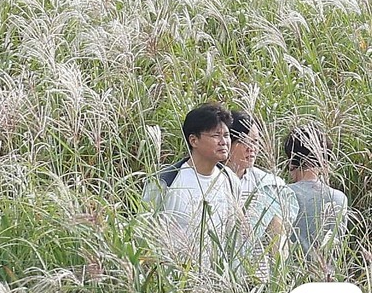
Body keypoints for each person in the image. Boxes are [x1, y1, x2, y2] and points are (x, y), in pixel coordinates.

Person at [142, 102, 242, 265]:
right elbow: (145, 234)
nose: (223, 141)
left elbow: (234, 238)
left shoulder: (230, 181)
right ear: (194, 140)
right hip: (173, 280)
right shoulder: (166, 181)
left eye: (226, 135)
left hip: (216, 282)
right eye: (216, 135)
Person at [226, 110, 296, 275]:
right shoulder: (212, 181)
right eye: (244, 141)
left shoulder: (268, 185)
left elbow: (279, 239)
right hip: (223, 275)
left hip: (260, 278)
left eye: (256, 141)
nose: (252, 149)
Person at [283, 124, 348, 260]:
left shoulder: (283, 193)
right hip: (328, 276)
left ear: (291, 160)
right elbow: (337, 246)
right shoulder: (339, 198)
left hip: (290, 277)